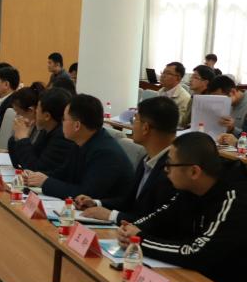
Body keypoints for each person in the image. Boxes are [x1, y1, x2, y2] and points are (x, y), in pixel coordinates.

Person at [118, 132, 247, 282]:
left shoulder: (236, 200)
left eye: (170, 164)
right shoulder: (190, 189)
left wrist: (140, 240)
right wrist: (131, 229)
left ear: (194, 172)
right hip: (200, 281)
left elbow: (196, 252)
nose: (165, 170)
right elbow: (160, 217)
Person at [75, 96, 179, 224]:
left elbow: (156, 222)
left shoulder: (173, 169)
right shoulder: (147, 158)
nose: (132, 124)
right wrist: (96, 203)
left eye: (135, 119)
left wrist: (112, 216)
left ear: (145, 128)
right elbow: (129, 202)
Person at [24, 94, 134, 199]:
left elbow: (86, 193)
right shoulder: (81, 141)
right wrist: (36, 177)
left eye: (64, 119)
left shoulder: (106, 153)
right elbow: (63, 174)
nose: (62, 123)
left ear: (77, 125)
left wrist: (45, 182)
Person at [8, 87, 74, 174]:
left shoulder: (62, 137)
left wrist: (22, 139)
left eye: (38, 109)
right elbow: (18, 163)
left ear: (47, 116)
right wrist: (17, 137)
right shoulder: (45, 130)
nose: (35, 112)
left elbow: (36, 171)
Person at [157, 62, 191, 128]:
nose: (163, 75)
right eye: (163, 72)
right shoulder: (160, 91)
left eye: (168, 73)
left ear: (178, 78)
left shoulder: (185, 98)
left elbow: (180, 122)